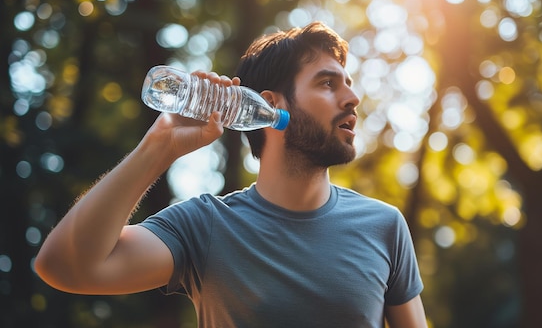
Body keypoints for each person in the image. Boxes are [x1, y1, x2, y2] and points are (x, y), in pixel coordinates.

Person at [35, 21, 427, 328]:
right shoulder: (206, 227)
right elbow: (61, 266)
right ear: (271, 105)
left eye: (348, 84)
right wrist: (160, 147)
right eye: (327, 82)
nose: (352, 98)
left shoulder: (384, 226)